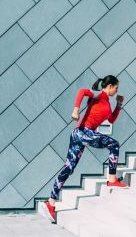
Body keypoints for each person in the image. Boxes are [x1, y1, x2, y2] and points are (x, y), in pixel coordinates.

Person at [41, 75, 128, 223]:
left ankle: (51, 202)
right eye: (116, 88)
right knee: (114, 145)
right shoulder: (99, 94)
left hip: (78, 134)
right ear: (110, 86)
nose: (116, 91)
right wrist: (76, 110)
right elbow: (81, 91)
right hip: (84, 132)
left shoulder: (107, 102)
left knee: (69, 168)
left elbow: (111, 119)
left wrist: (119, 105)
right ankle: (111, 179)